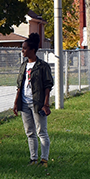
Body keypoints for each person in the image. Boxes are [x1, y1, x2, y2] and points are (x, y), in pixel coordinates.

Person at [12, 32, 54, 166]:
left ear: (33, 50)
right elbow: (20, 86)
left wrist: (46, 104)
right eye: (22, 48)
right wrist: (16, 102)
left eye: (24, 48)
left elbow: (48, 85)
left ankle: (44, 159)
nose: (22, 51)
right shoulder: (23, 65)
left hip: (38, 103)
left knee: (41, 131)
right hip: (24, 103)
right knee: (30, 132)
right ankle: (33, 158)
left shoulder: (43, 66)